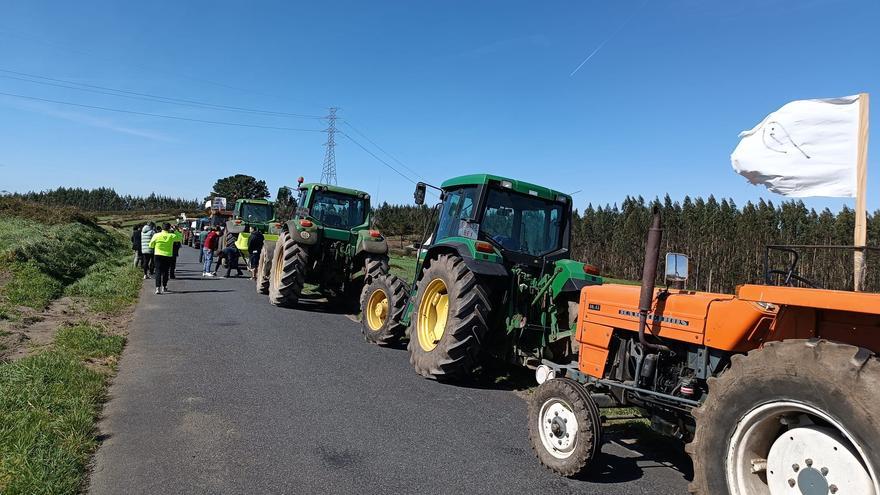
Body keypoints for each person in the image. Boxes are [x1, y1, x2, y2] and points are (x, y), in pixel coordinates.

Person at [149, 223, 176, 294]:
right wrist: (175, 230)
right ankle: (164, 286)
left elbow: (151, 245)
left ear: (162, 228)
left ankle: (157, 288)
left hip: (158, 254)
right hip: (167, 255)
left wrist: (155, 245)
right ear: (169, 228)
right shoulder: (171, 235)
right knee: (166, 271)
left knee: (158, 271)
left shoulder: (156, 235)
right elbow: (180, 237)